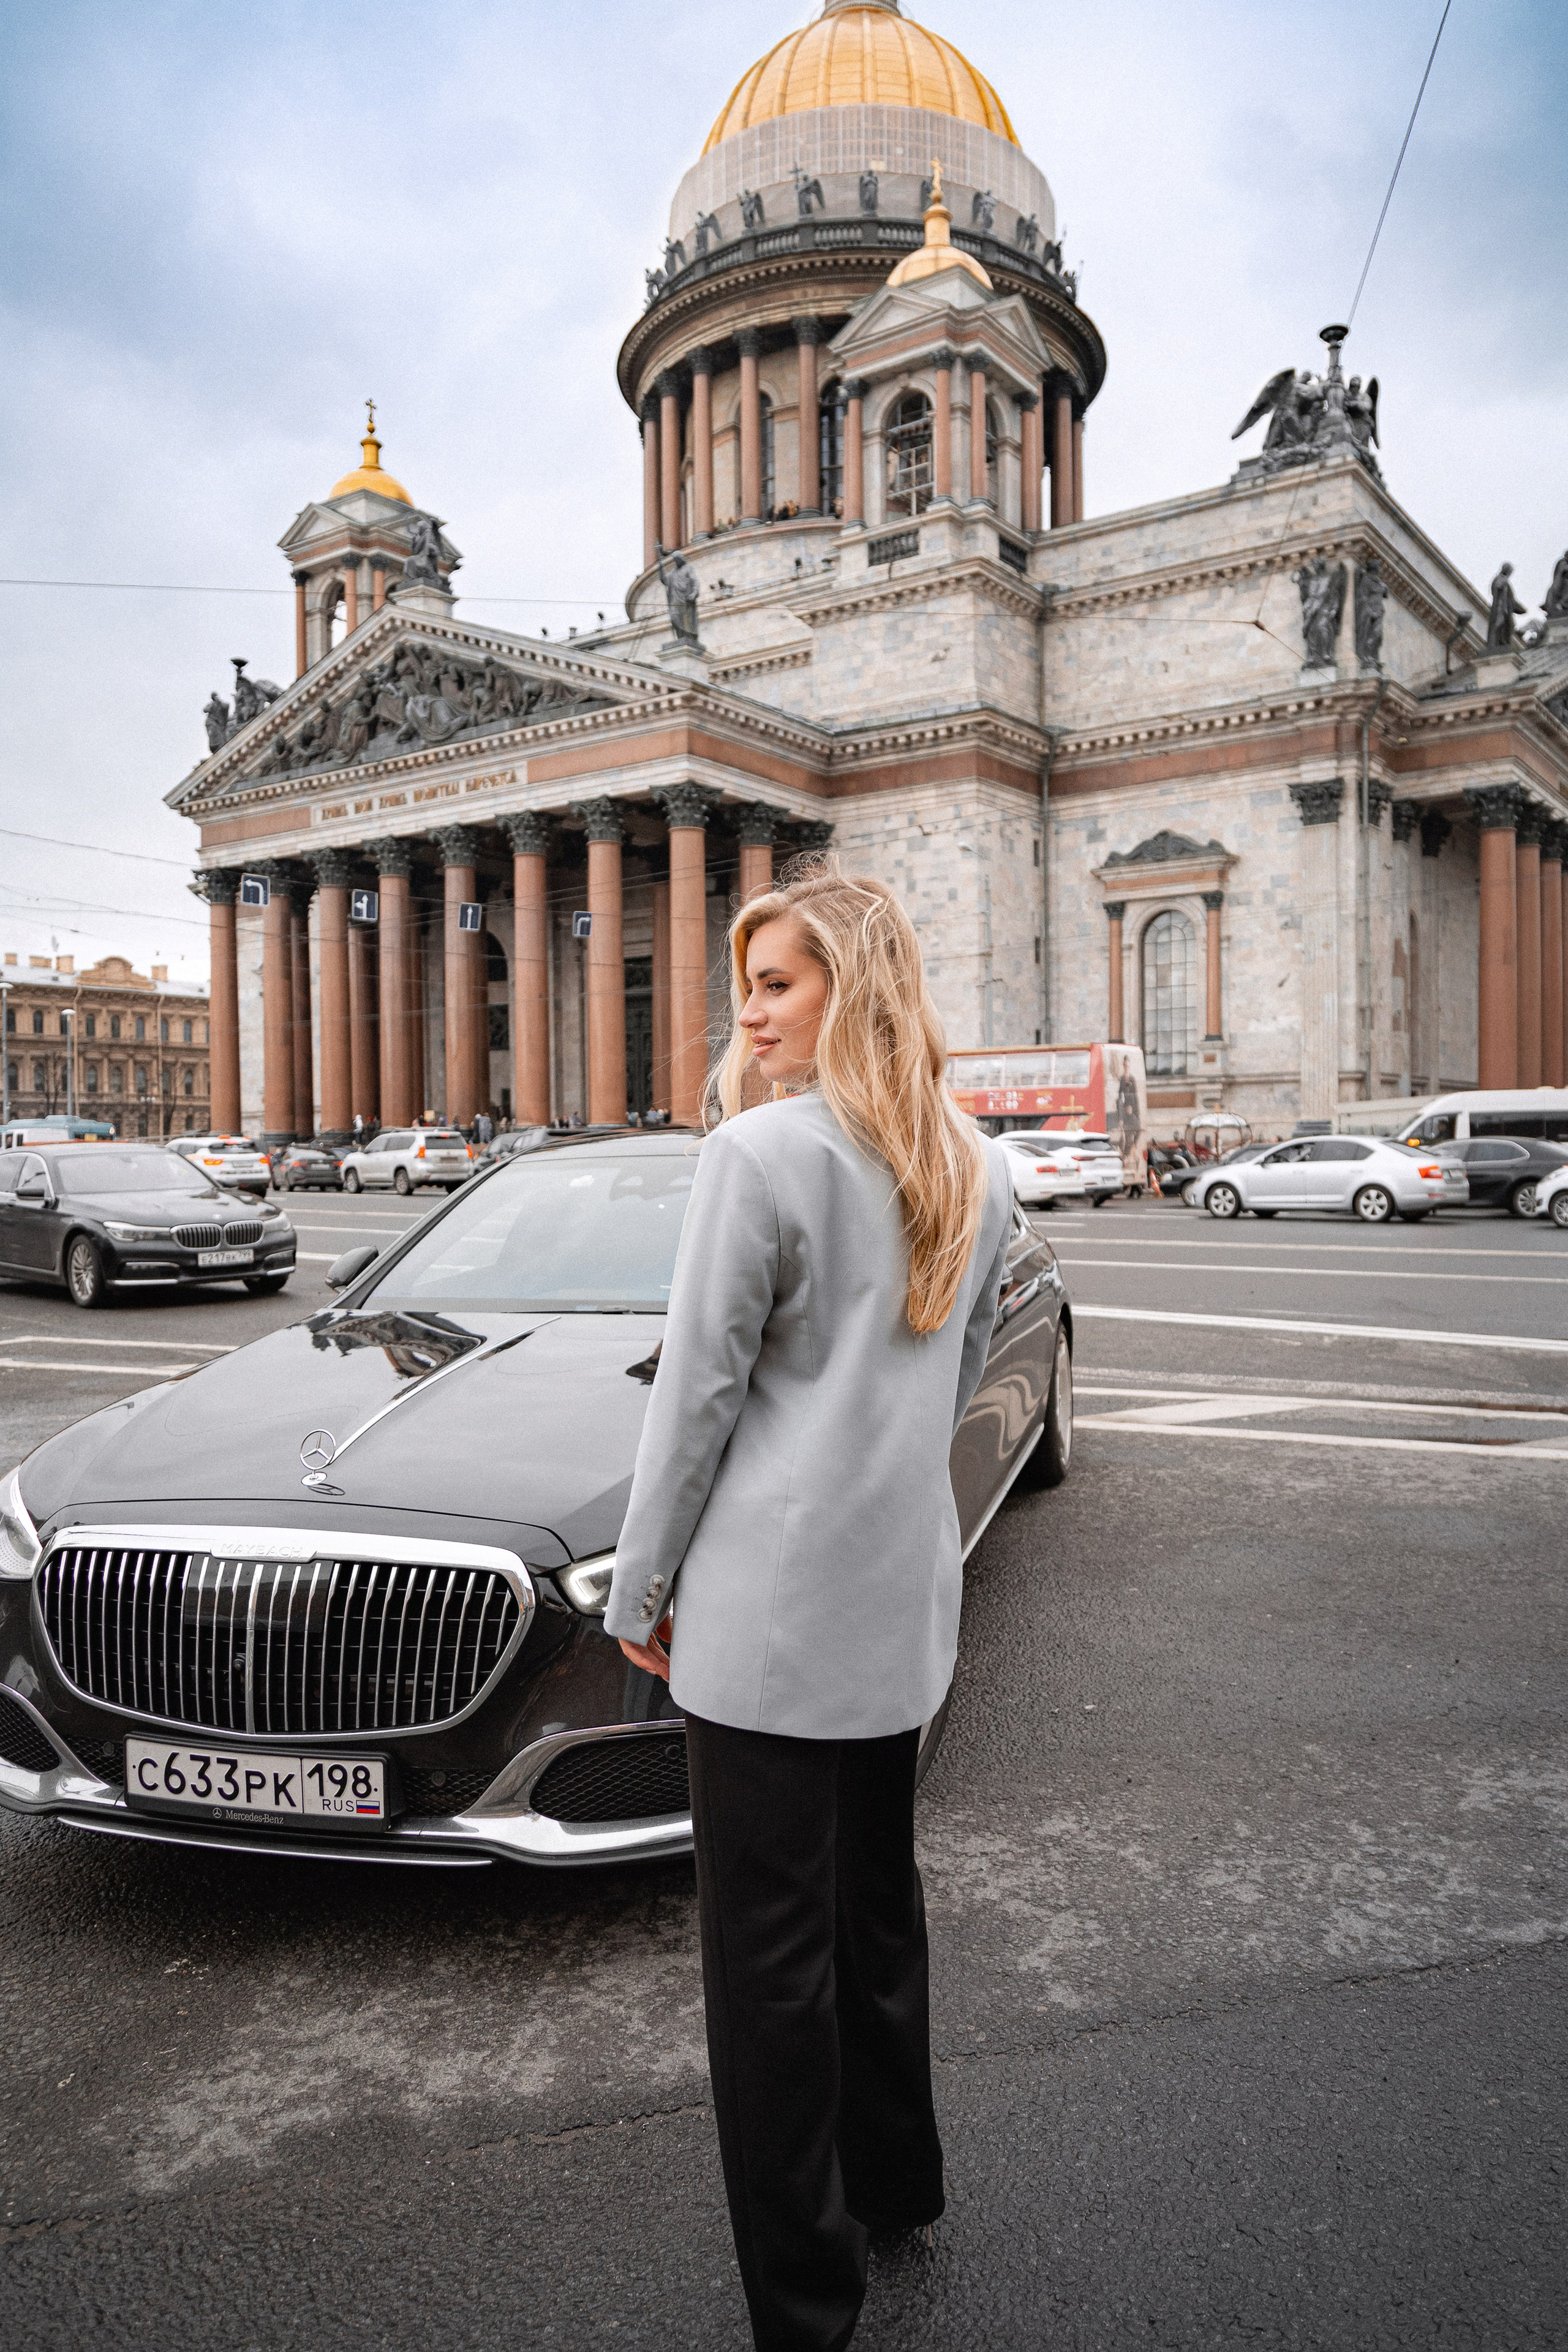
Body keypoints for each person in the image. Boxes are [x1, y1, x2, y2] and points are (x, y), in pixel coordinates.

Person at [605, 865, 1012, 2352]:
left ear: (853, 985)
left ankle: (803, 2298)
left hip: (766, 1620)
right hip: (894, 1606)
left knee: (765, 1964)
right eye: (746, 987)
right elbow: (956, 1383)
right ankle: (896, 2183)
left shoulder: (758, 1156)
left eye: (778, 982)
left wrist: (641, 1590)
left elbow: (696, 1403)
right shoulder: (973, 1158)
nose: (751, 1014)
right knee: (873, 1911)